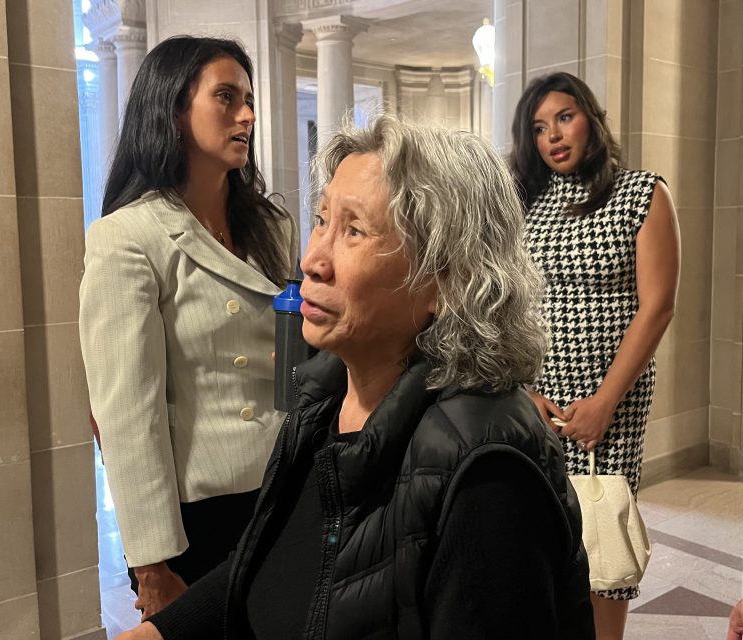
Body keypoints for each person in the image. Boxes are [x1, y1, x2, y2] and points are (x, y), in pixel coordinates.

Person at [115, 115, 595, 639]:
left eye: (354, 231)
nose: (312, 261)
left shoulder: (487, 473)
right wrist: (159, 633)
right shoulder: (321, 399)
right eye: (322, 220)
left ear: (447, 279)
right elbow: (270, 562)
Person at [79, 36, 298, 620]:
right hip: (195, 512)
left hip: (285, 486)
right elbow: (128, 413)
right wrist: (151, 565)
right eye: (226, 97)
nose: (247, 116)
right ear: (173, 109)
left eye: (249, 100)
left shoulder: (272, 225)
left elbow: (293, 356)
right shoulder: (128, 236)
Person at [510, 71, 680, 640]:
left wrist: (604, 403)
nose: (553, 136)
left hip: (611, 402)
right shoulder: (523, 204)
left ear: (591, 119)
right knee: (537, 537)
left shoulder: (641, 193)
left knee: (602, 540)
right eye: (539, 128)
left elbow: (657, 307)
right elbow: (507, 303)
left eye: (564, 117)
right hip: (534, 401)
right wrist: (521, 392)